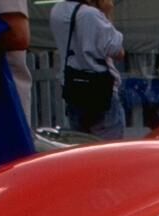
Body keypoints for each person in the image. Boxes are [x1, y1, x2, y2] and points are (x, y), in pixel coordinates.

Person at [50, 0, 124, 140]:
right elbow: (118, 51)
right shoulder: (91, 15)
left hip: (74, 87)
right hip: (100, 90)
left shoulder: (57, 11)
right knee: (108, 149)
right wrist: (106, 13)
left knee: (80, 143)